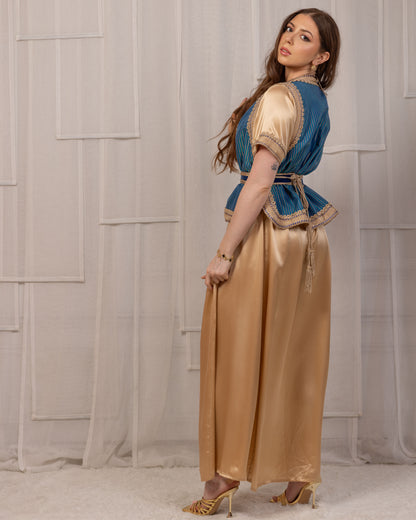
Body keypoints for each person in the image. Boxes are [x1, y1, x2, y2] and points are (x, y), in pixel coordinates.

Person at [183, 8, 341, 517]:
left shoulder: (280, 97)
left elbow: (260, 180)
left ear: (322, 56)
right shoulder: (317, 102)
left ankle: (224, 478)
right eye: (289, 29)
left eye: (305, 36)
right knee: (295, 352)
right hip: (307, 239)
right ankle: (298, 476)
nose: (289, 39)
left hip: (269, 235)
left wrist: (224, 254)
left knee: (240, 349)